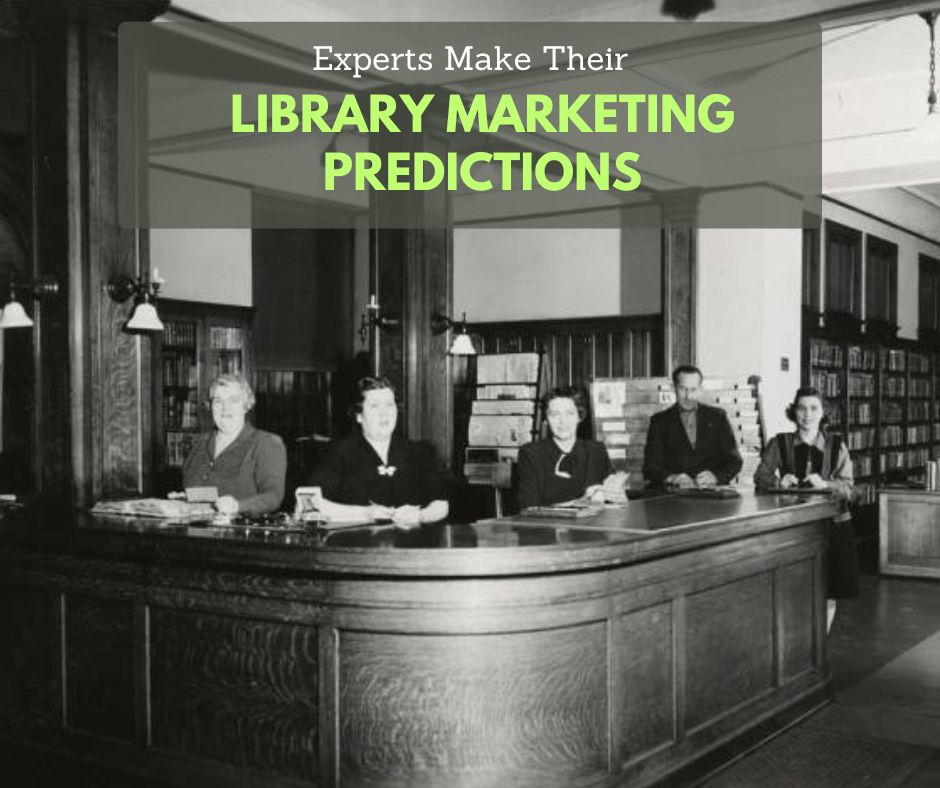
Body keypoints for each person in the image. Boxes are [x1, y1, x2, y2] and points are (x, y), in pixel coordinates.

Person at [754, 385, 857, 630]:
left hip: (833, 527)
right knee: (794, 590)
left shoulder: (837, 445)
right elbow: (761, 477)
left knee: (829, 592)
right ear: (794, 412)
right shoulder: (779, 443)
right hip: (794, 530)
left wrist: (827, 484)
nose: (807, 414)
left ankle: (820, 645)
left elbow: (849, 488)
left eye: (814, 408)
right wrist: (779, 482)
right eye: (802, 408)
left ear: (823, 413)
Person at [307, 376, 449, 526]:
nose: (384, 413)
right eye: (374, 406)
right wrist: (366, 514)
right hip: (355, 545)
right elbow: (307, 505)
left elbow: (441, 505)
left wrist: (421, 516)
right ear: (359, 415)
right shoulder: (339, 453)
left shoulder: (419, 451)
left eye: (389, 404)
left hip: (411, 545)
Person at [181, 373, 287, 516]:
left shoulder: (266, 443)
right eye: (218, 401)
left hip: (241, 534)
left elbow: (273, 497)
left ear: (246, 405)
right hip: (196, 531)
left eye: (234, 400)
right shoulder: (198, 444)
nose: (226, 408)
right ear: (210, 406)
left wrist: (237, 506)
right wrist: (184, 498)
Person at [517, 385, 628, 508]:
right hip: (549, 526)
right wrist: (584, 500)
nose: (563, 421)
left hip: (594, 525)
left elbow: (617, 503)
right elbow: (529, 508)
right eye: (554, 414)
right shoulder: (531, 453)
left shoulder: (596, 450)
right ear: (546, 420)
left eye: (569, 413)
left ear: (579, 416)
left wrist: (618, 496)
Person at [643, 364, 743, 488]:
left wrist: (716, 476)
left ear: (701, 389)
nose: (688, 396)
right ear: (673, 388)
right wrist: (673, 478)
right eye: (683, 389)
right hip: (673, 498)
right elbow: (650, 467)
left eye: (693, 389)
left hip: (712, 498)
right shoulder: (659, 422)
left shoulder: (718, 417)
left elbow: (734, 461)